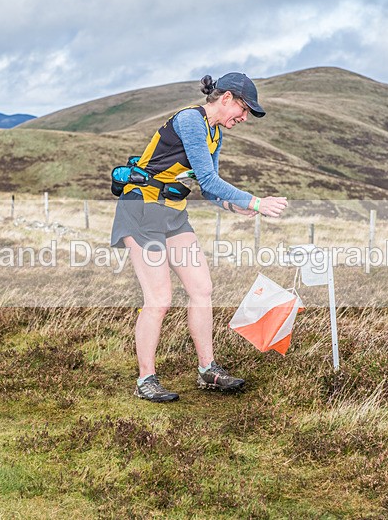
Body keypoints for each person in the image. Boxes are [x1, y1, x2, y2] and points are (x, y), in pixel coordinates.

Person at [110, 72, 288, 402]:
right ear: (226, 99)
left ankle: (208, 371)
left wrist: (236, 208)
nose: (244, 118)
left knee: (202, 288)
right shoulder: (191, 120)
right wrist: (256, 201)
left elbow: (207, 186)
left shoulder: (214, 135)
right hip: (141, 209)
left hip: (172, 214)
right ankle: (145, 380)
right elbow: (207, 177)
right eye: (244, 109)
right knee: (159, 298)